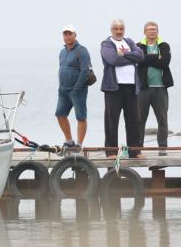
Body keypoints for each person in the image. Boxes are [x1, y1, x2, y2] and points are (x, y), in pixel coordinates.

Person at [100, 19, 145, 158]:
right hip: (113, 88)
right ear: (111, 30)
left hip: (131, 87)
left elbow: (141, 56)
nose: (119, 31)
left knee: (134, 120)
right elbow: (113, 59)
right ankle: (111, 151)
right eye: (116, 29)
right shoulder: (107, 44)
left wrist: (124, 54)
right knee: (111, 120)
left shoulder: (129, 42)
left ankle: (135, 151)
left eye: (121, 28)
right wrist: (132, 57)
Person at [137, 21, 173, 154]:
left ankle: (162, 148)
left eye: (154, 29)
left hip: (160, 88)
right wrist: (156, 57)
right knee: (140, 119)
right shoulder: (138, 46)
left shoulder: (164, 45)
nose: (152, 31)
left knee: (162, 119)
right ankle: (138, 148)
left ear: (157, 31)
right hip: (144, 88)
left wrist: (147, 60)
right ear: (144, 32)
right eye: (149, 29)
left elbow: (165, 62)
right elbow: (139, 60)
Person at [55, 25, 90, 151]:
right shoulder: (62, 52)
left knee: (81, 117)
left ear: (75, 35)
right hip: (63, 90)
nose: (67, 36)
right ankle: (69, 141)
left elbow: (85, 70)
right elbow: (62, 69)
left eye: (70, 34)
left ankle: (79, 144)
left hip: (78, 90)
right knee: (60, 114)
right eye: (65, 34)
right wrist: (60, 87)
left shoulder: (82, 50)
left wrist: (76, 88)